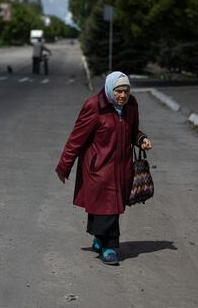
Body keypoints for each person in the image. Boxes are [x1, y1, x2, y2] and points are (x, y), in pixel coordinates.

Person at [56, 71, 152, 265]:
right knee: (109, 207)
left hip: (122, 167)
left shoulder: (131, 105)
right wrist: (64, 165)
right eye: (118, 91)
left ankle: (99, 238)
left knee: (105, 207)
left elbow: (133, 131)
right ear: (110, 89)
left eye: (126, 91)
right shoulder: (94, 106)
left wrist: (141, 139)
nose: (123, 96)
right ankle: (111, 247)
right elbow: (76, 138)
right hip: (99, 168)